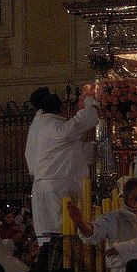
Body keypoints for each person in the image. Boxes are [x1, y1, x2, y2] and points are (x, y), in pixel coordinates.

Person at [30, 92, 99, 249]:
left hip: (54, 187)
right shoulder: (53, 127)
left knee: (63, 236)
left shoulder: (45, 127)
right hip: (54, 190)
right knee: (60, 237)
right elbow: (76, 125)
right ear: (61, 108)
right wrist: (92, 106)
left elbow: (77, 152)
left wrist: (95, 147)